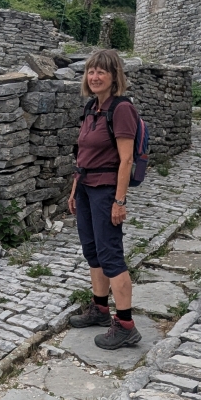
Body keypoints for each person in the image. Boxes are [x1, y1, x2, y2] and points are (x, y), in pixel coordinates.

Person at [67, 49, 141, 350]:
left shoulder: (121, 109)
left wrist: (119, 202)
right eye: (91, 71)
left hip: (106, 191)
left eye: (101, 72)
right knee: (92, 251)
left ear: (114, 77)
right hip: (86, 188)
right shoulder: (92, 107)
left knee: (110, 254)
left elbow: (126, 160)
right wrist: (75, 188)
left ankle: (126, 326)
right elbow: (83, 153)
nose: (94, 77)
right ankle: (100, 309)